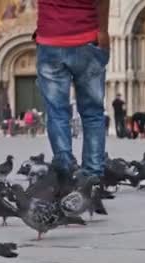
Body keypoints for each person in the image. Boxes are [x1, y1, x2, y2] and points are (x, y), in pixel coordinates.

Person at [36, 0, 110, 178]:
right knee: (93, 114)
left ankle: (65, 170)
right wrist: (103, 31)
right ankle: (92, 176)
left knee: (57, 112)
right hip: (87, 39)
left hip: (50, 41)